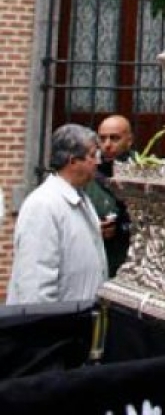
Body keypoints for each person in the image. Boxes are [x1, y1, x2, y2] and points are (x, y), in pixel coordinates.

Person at [6, 123, 108, 305]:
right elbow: (34, 285)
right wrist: (48, 329)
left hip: (78, 322)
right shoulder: (43, 205)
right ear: (73, 161)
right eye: (92, 156)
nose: (98, 162)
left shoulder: (82, 198)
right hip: (57, 327)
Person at [85, 115, 134, 277]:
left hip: (132, 258)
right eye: (102, 138)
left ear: (129, 140)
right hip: (98, 260)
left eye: (114, 138)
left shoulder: (142, 170)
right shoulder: (87, 173)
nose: (107, 145)